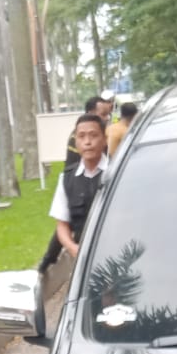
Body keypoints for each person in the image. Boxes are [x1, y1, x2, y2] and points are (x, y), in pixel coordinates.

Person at [39, 113, 109, 273]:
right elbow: (62, 224)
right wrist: (72, 248)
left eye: (93, 135)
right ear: (76, 142)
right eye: (81, 136)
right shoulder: (67, 178)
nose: (87, 142)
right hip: (81, 260)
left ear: (104, 140)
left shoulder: (117, 173)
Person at [66, 90, 114, 166]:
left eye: (108, 114)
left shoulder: (104, 132)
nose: (107, 118)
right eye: (103, 114)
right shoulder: (77, 135)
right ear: (90, 113)